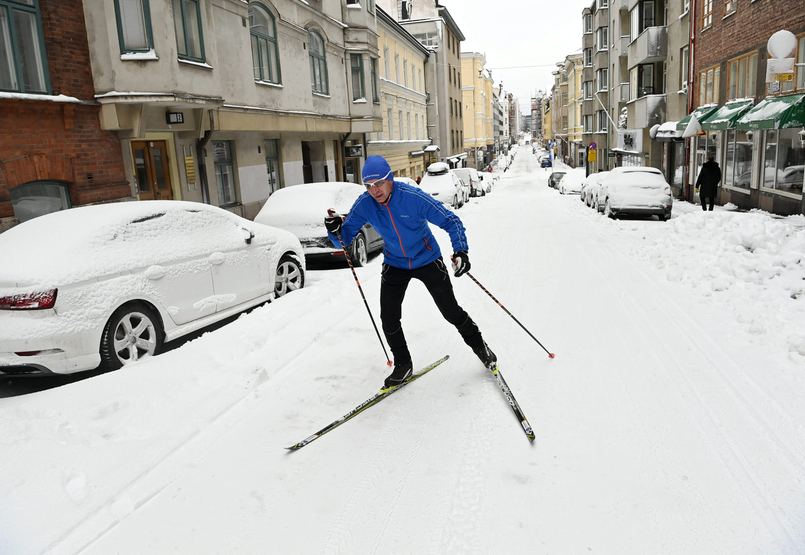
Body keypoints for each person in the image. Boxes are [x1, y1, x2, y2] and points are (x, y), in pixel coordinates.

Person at [324, 155, 496, 390]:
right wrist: (335, 231)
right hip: (395, 262)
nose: (374, 191)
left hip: (427, 258)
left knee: (451, 312)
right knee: (389, 317)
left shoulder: (413, 198)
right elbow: (343, 241)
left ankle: (481, 347)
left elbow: (451, 221)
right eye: (369, 186)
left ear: (390, 179)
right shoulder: (365, 204)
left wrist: (461, 251)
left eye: (379, 184)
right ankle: (403, 364)